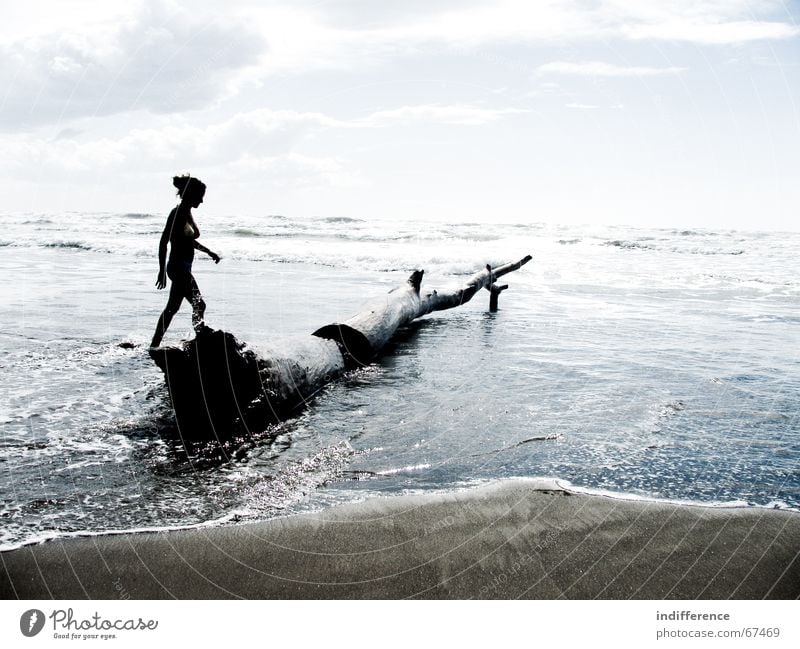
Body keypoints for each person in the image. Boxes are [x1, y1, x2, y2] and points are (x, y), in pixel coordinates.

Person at [150, 174, 221, 348]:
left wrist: (208, 252)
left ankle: (154, 344)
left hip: (182, 267)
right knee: (199, 304)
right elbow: (164, 241)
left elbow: (188, 240)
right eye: (200, 196)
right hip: (178, 267)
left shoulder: (186, 212)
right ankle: (200, 338)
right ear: (191, 194)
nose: (202, 201)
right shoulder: (178, 213)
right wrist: (161, 271)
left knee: (172, 309)